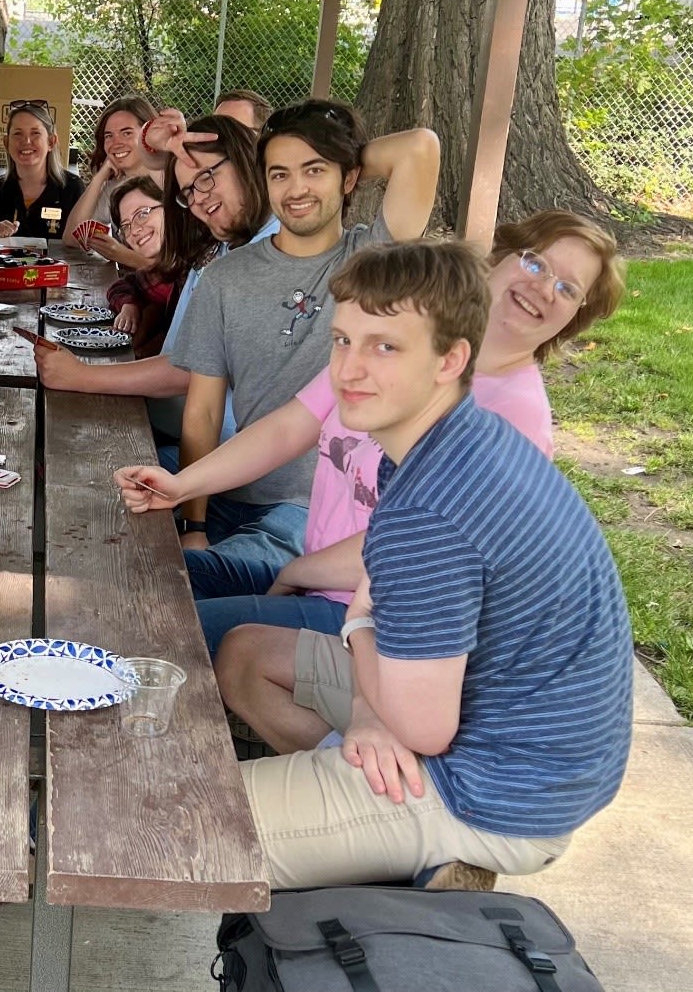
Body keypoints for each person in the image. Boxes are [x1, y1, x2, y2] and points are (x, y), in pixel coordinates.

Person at [218, 240, 633, 891]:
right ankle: (376, 831)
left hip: (500, 787)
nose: (350, 369)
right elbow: (389, 615)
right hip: (498, 725)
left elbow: (422, 724)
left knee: (188, 822)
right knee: (244, 654)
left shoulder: (436, 506)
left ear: (451, 359)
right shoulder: (448, 436)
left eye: (386, 347)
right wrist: (365, 708)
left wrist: (358, 634)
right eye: (343, 340)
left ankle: (413, 839)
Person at [117, 209, 627, 654]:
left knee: (166, 631)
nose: (541, 288)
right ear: (504, 256)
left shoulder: (514, 416)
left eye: (568, 288)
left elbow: (419, 547)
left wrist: (297, 573)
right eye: (535, 262)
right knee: (146, 581)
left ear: (575, 318)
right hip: (313, 575)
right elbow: (289, 426)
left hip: (372, 618)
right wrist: (184, 485)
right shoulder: (407, 341)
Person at [169, 100, 439, 598]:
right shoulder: (225, 278)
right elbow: (203, 411)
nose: (295, 190)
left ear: (349, 179)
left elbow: (420, 148)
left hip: (309, 509)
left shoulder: (372, 260)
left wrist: (340, 153)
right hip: (232, 487)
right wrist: (194, 527)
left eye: (314, 171)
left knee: (183, 586)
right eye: (279, 174)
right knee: (129, 537)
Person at [32, 113, 270, 442]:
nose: (199, 199)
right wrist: (151, 147)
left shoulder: (268, 251)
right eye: (189, 192)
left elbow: (188, 369)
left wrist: (83, 376)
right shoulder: (224, 237)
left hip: (216, 458)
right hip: (168, 429)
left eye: (206, 177)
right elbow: (133, 275)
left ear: (249, 159)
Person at [64, 96, 159, 270]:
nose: (116, 143)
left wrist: (122, 255)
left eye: (127, 133)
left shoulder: (171, 181)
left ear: (148, 134)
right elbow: (72, 237)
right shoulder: (114, 187)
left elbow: (179, 268)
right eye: (109, 136)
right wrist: (100, 177)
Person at [0, 100, 84, 240]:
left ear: (51, 142)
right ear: (6, 142)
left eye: (35, 133)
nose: (26, 141)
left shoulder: (72, 189)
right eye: (18, 134)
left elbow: (83, 246)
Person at [103, 177, 180, 357]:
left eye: (143, 213)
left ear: (170, 207)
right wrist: (130, 305)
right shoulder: (156, 274)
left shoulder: (196, 269)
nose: (135, 230)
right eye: (126, 226)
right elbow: (125, 284)